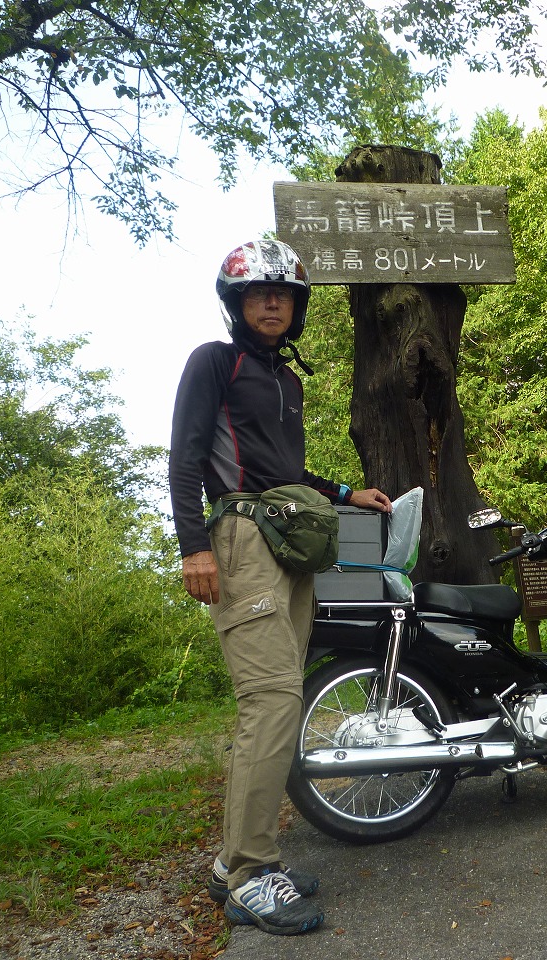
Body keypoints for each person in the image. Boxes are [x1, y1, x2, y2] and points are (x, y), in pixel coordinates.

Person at [169, 238, 391, 936]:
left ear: (295, 308)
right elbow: (184, 456)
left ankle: (235, 862)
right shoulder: (215, 361)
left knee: (279, 703)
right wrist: (194, 549)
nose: (273, 301)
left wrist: (350, 492)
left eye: (284, 294)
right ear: (237, 303)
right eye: (259, 292)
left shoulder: (286, 381)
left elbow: (285, 474)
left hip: (291, 545)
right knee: (269, 702)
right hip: (240, 539)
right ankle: (247, 875)